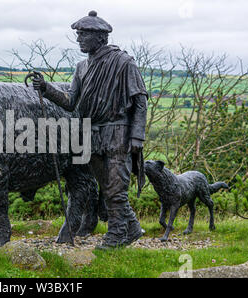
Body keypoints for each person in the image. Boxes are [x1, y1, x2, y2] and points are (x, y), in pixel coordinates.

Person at [31, 11, 148, 248]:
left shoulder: (123, 63)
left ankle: (115, 236)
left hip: (118, 132)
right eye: (78, 34)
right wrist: (46, 89)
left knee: (116, 188)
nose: (78, 39)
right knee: (107, 188)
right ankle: (133, 227)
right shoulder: (81, 67)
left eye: (83, 34)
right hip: (92, 135)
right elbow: (71, 101)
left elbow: (140, 100)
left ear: (99, 36)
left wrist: (137, 135)